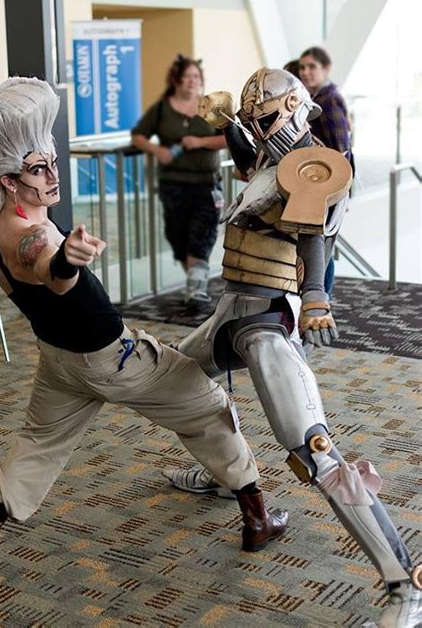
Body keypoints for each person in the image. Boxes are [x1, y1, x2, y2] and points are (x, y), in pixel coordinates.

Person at [0, 76, 289, 580]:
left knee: (37, 446)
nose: (51, 175)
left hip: (59, 363)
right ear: (9, 181)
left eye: (52, 162)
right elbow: (49, 271)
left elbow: (18, 232)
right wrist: (67, 258)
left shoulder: (0, 222)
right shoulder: (33, 235)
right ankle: (258, 520)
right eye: (36, 169)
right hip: (116, 360)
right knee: (209, 407)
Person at [162, 67, 421, 627]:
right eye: (254, 123)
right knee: (173, 377)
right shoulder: (273, 155)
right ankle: (225, 470)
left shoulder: (314, 165)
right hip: (231, 309)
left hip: (265, 322)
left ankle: (404, 586)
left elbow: (311, 235)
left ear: (296, 108)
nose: (259, 132)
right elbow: (251, 167)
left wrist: (317, 298)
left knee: (314, 451)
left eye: (265, 119)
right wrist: (229, 122)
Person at [131, 55, 226, 304]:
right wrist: (157, 151)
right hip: (173, 183)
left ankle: (196, 288)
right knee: (178, 235)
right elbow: (139, 136)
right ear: (176, 80)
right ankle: (195, 281)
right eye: (186, 77)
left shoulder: (212, 106)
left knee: (202, 233)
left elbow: (229, 138)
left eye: (196, 77)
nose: (191, 82)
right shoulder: (162, 108)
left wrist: (201, 142)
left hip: (207, 183)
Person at [299, 46, 354, 297]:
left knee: (321, 250)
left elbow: (341, 151)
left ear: (326, 69)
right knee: (319, 248)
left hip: (328, 188)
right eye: (302, 68)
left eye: (312, 67)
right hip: (319, 186)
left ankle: (323, 301)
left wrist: (335, 192)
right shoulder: (314, 98)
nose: (306, 72)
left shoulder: (329, 100)